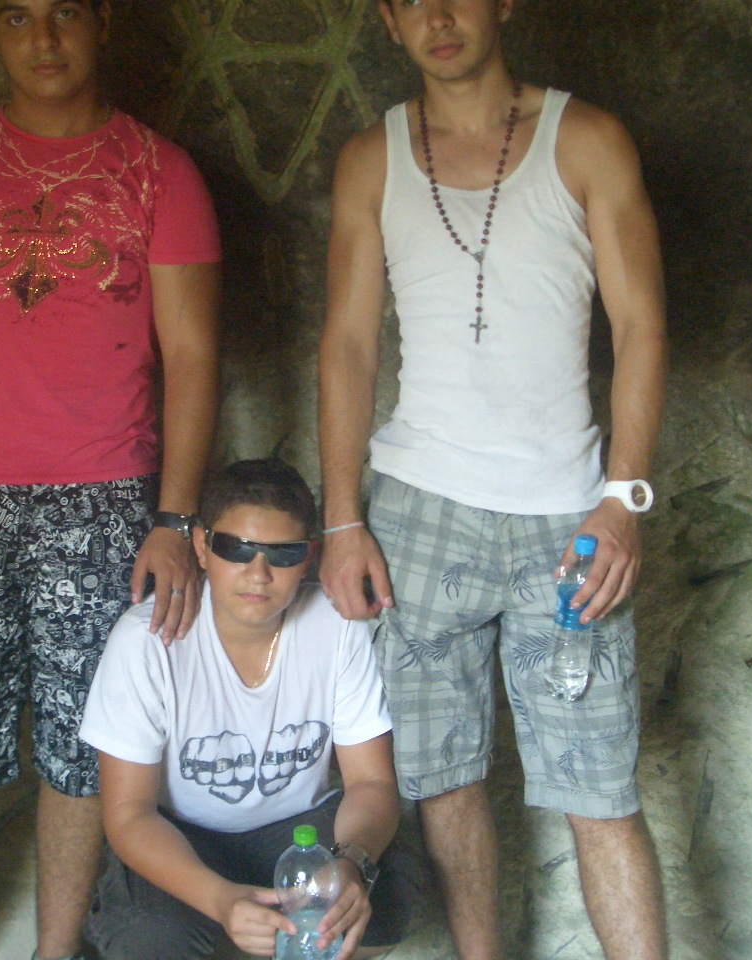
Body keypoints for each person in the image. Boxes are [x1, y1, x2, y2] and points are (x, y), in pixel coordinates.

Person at [317, 2, 669, 959]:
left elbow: (641, 324)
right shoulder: (372, 160)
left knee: (600, 791)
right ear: (388, 19)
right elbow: (347, 345)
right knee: (442, 781)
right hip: (419, 510)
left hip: (569, 516)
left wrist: (623, 498)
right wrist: (343, 520)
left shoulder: (586, 140)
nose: (438, 15)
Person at [0, 1, 221, 957]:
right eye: (19, 15)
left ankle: (55, 953)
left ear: (102, 21)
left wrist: (172, 520)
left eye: (65, 10)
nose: (44, 38)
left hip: (105, 506)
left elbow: (193, 353)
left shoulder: (160, 171)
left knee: (82, 749)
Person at [79, 459, 418, 959]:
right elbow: (129, 815)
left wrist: (350, 864)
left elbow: (371, 783)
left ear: (309, 556)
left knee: (382, 897)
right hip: (182, 834)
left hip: (297, 830)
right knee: (149, 936)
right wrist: (219, 900)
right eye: (236, 549)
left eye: (283, 554)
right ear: (201, 546)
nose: (258, 574)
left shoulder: (337, 627)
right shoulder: (147, 639)